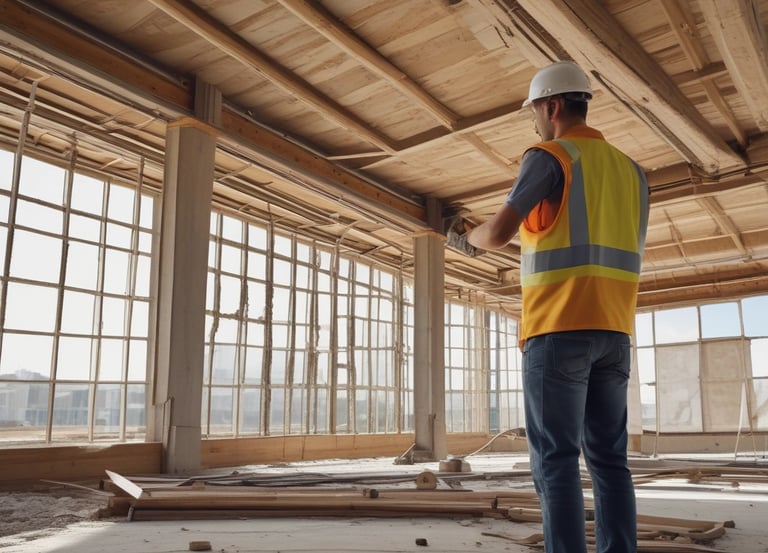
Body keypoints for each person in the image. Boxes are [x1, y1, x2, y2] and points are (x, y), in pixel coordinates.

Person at [448, 60, 649, 553]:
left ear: (552, 106)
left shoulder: (551, 156)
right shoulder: (633, 171)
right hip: (615, 331)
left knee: (556, 459)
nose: (534, 122)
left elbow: (497, 233)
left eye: (535, 111)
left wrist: (464, 241)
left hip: (559, 328)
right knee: (609, 461)